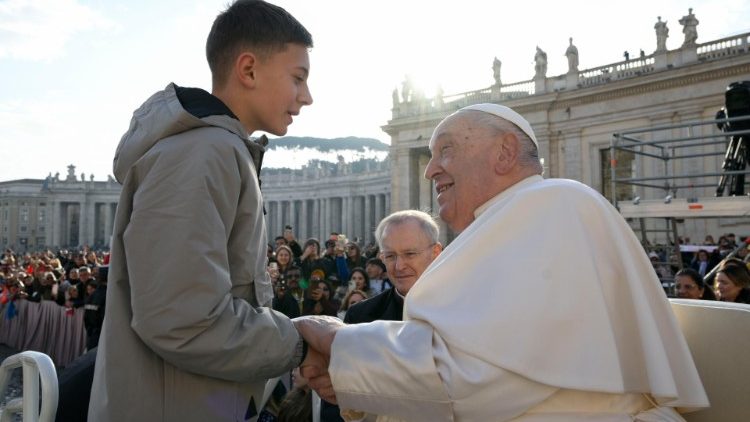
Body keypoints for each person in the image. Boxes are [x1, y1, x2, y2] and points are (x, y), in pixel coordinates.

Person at [294, 103, 708, 421]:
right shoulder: (509, 221)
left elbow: (472, 377)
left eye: (446, 152)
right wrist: (350, 376)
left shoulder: (551, 205)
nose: (430, 169)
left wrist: (340, 343)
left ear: (505, 152)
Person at [89, 2, 317, 421]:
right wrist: (298, 342)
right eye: (298, 78)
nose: (307, 96)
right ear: (248, 70)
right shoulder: (203, 154)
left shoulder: (218, 151)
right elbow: (184, 320)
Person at [345, 210, 442, 324]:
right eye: (390, 256)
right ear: (382, 258)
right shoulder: (359, 317)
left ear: (435, 253)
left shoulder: (463, 311)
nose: (399, 266)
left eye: (410, 254)